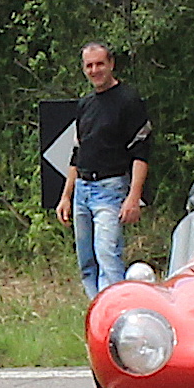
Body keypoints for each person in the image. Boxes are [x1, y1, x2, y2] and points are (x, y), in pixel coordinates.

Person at [55, 40, 152, 297]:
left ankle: (117, 309)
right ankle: (96, 309)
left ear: (111, 64)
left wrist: (134, 196)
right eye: (89, 65)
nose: (95, 70)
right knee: (87, 263)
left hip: (111, 189)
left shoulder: (129, 101)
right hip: (82, 190)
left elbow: (141, 152)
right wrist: (66, 196)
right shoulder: (85, 104)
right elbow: (77, 153)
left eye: (99, 64)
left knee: (108, 257)